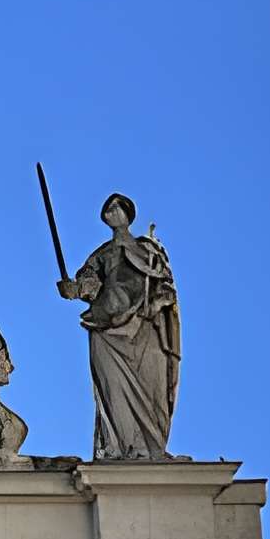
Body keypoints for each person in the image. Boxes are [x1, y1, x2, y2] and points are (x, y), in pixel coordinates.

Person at [58, 192, 180, 461]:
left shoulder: (148, 251)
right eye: (108, 208)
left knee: (151, 389)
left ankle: (150, 449)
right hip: (106, 327)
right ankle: (120, 448)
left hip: (144, 326)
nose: (111, 211)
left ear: (128, 214)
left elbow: (165, 287)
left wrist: (158, 303)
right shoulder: (101, 255)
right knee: (113, 390)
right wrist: (74, 290)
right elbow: (88, 283)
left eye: (117, 207)